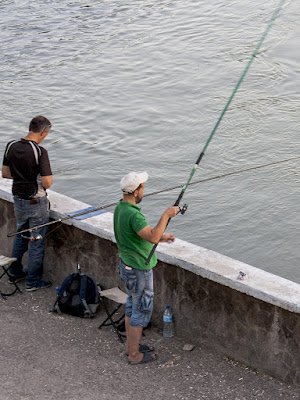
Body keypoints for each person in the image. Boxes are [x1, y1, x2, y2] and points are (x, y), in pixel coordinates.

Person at [113, 171, 179, 365]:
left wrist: (162, 236)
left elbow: (140, 234)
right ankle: (134, 356)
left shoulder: (120, 208)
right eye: (142, 187)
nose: (144, 190)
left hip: (127, 267)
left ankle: (130, 348)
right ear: (136, 191)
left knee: (132, 307)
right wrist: (166, 215)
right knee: (141, 311)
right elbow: (152, 237)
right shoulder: (134, 214)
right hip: (139, 271)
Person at [2, 115, 53, 292]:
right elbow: (47, 183)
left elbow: (5, 174)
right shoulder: (40, 151)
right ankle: (33, 281)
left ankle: (14, 273)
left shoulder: (11, 145)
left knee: (20, 235)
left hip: (18, 199)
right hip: (36, 201)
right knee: (36, 241)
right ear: (44, 132)